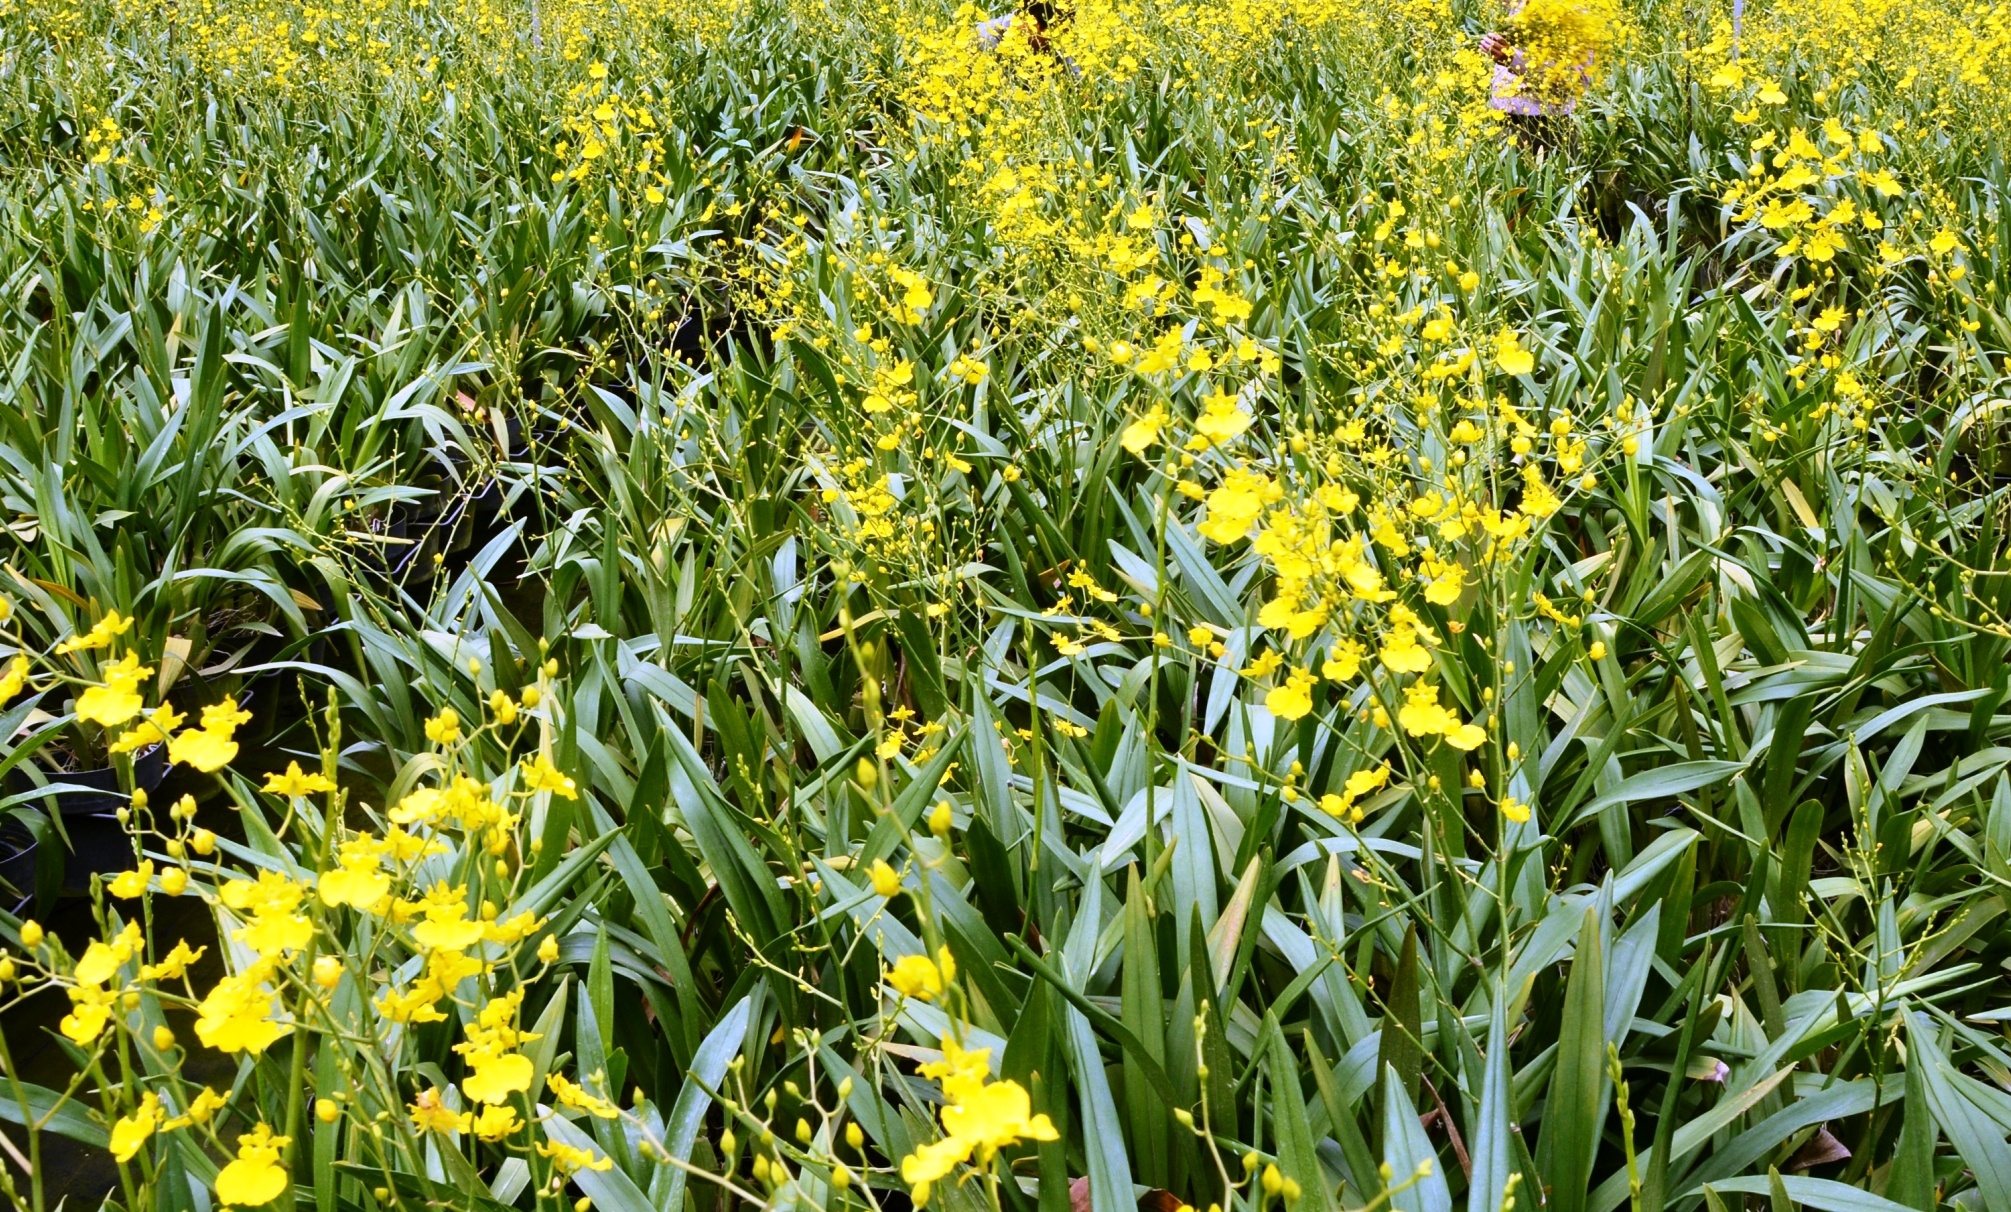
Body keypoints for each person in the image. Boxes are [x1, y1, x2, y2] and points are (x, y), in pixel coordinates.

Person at [1478, 0, 1592, 150]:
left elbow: (1577, 81)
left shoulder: (1574, 11)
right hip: (1504, 120)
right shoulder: (1519, 4)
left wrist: (1513, 59)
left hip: (1545, 128)